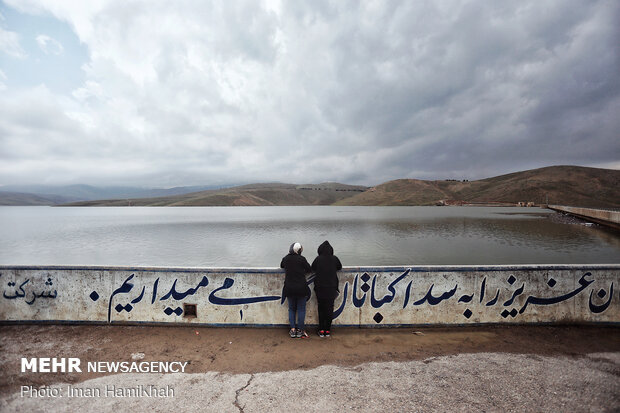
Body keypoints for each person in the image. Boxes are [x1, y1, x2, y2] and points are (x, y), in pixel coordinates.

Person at [280, 242, 312, 339]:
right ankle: (300, 330)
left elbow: (281, 265)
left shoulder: (286, 258)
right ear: (299, 251)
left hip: (289, 288)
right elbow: (309, 269)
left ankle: (293, 330)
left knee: (292, 309)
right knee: (301, 309)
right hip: (301, 288)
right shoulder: (302, 259)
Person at [311, 240, 342, 337]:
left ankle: (321, 330)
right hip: (331, 288)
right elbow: (339, 267)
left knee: (321, 308)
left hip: (320, 288)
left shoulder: (318, 259)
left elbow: (312, 268)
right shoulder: (334, 259)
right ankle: (327, 330)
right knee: (329, 309)